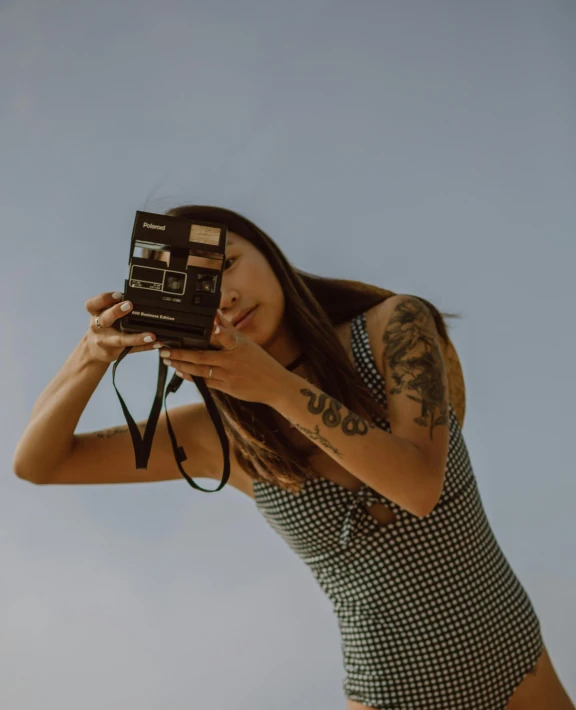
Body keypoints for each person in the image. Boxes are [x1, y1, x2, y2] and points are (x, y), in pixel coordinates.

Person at [13, 205, 574, 710]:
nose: (225, 295)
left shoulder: (395, 328)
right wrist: (91, 353)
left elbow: (418, 487)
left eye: (228, 263)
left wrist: (278, 387)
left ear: (268, 253)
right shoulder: (218, 435)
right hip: (390, 695)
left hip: (518, 660)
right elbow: (39, 463)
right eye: (198, 290)